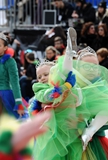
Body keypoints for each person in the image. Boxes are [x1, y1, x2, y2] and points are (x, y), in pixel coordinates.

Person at [30, 27, 86, 160]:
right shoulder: (39, 88)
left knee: (62, 75)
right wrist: (66, 86)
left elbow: (78, 99)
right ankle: (69, 54)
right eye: (39, 76)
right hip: (52, 132)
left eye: (45, 74)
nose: (42, 78)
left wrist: (70, 87)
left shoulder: (58, 82)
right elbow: (49, 95)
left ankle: (69, 53)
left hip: (69, 125)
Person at [74, 46, 108, 159]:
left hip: (95, 142)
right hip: (71, 141)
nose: (91, 69)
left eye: (95, 65)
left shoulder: (103, 89)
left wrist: (91, 126)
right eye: (86, 66)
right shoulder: (71, 87)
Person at [0, 33, 28, 119]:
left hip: (4, 97)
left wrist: (18, 103)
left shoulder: (9, 61)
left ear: (5, 48)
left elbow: (15, 83)